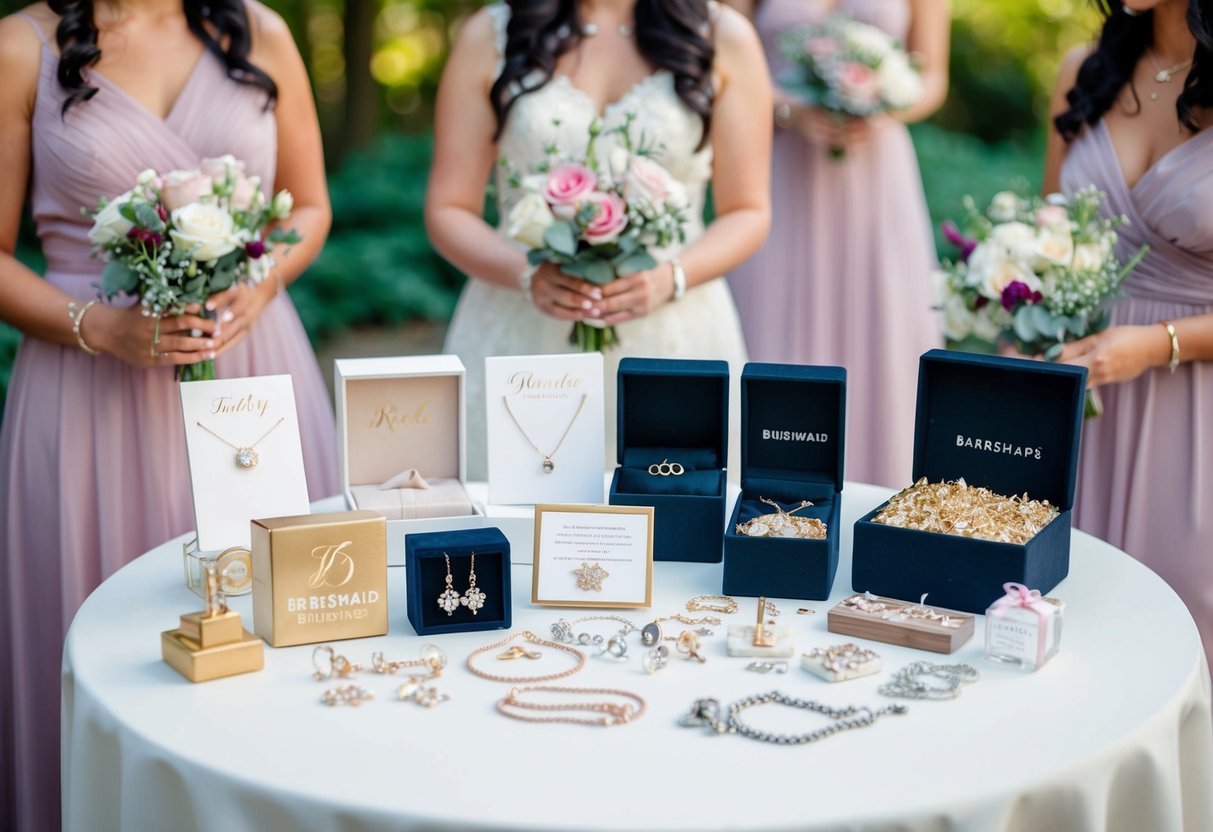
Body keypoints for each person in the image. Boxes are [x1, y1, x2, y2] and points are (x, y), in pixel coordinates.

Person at [0, 0, 339, 826]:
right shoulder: (18, 48)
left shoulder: (260, 32)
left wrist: (259, 283)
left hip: (248, 372)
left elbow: (310, 207)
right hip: (87, 390)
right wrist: (100, 327)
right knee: (107, 641)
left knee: (280, 627)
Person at [426, 0, 772, 477]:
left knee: (677, 506)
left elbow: (748, 210)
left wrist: (670, 277)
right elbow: (448, 208)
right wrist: (526, 274)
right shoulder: (490, 35)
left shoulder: (721, 35)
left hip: (673, 333)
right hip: (522, 333)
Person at [1045, 0, 1213, 669]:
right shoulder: (1084, 71)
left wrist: (1153, 343)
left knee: (1181, 632)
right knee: (1067, 622)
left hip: (1194, 413)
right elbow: (1046, 237)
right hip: (1082, 404)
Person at [722, 0, 950, 488]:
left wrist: (881, 103)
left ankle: (885, 492)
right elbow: (719, 59)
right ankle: (770, 501)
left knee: (883, 335)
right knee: (770, 327)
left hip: (876, 178)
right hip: (780, 176)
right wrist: (789, 109)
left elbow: (933, 78)